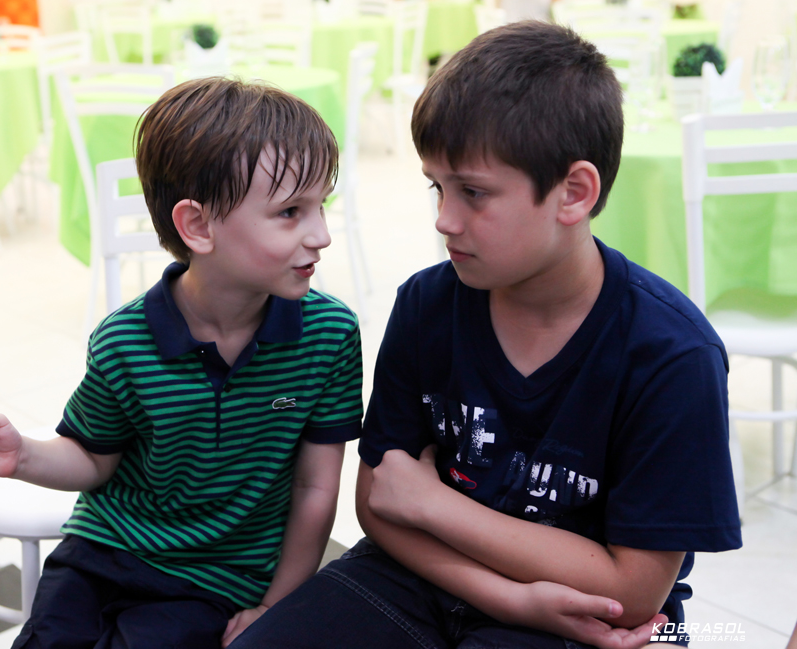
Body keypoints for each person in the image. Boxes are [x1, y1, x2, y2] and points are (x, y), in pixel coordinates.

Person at [231, 21, 741, 649]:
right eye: (436, 187)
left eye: (473, 192)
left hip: (588, 624)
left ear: (573, 193)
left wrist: (434, 504)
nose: (445, 219)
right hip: (419, 578)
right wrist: (514, 598)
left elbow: (632, 591)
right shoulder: (427, 303)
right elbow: (379, 502)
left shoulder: (671, 353)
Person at [0, 77, 364, 649]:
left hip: (217, 576)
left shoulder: (328, 335)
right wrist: (21, 455)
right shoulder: (124, 341)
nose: (320, 234)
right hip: (104, 549)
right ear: (197, 226)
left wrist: (277, 602)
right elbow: (93, 461)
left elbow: (316, 487)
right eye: (291, 211)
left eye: (321, 206)